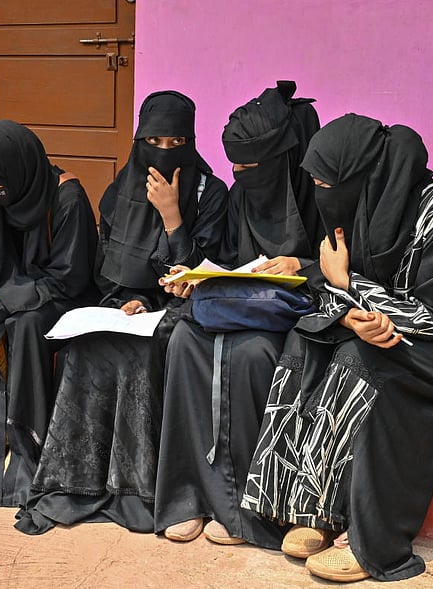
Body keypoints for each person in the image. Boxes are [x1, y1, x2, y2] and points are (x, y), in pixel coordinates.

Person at [241, 114, 433, 581]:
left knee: (358, 359)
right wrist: (348, 315)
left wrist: (350, 284)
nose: (323, 195)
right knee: (307, 339)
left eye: (328, 183)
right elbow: (328, 288)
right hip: (397, 333)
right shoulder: (357, 208)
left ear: (361, 174)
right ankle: (302, 504)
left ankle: (358, 530)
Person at [15, 90, 229, 534]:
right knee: (89, 349)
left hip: (188, 309)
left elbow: (206, 272)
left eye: (176, 144)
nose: (165, 153)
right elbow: (107, 269)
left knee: (143, 353)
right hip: (132, 308)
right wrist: (127, 300)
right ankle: (80, 480)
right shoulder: (118, 193)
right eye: (154, 142)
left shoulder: (211, 194)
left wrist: (172, 218)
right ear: (138, 140)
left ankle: (146, 490)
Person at [153, 82, 323, 546]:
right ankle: (191, 498)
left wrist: (300, 265)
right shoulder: (240, 197)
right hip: (236, 309)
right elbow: (225, 260)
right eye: (236, 168)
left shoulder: (322, 198)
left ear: (286, 161)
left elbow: (350, 270)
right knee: (185, 341)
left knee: (252, 356)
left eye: (252, 168)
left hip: (293, 318)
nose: (242, 176)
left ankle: (245, 508)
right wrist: (197, 276)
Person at [0, 120, 99, 508]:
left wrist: (4, 302)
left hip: (66, 297)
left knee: (23, 326)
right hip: (26, 292)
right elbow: (5, 267)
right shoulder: (2, 194)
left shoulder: (67, 199)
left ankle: (23, 446)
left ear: (17, 170)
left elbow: (67, 280)